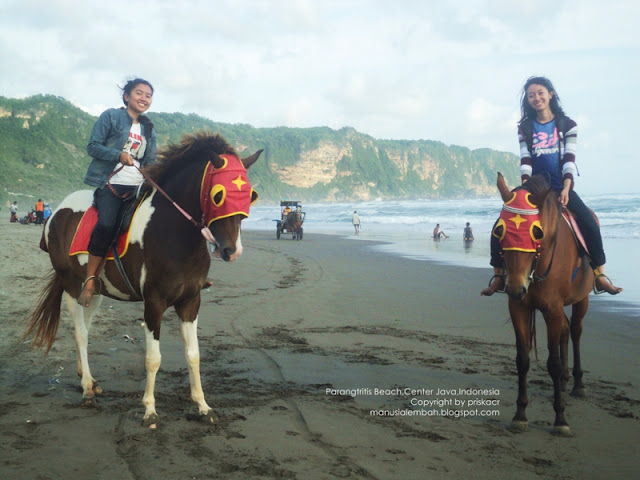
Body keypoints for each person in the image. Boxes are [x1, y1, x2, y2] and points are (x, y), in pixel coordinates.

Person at [481, 76, 621, 296]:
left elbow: (569, 159)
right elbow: (526, 160)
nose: (536, 98)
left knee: (589, 223)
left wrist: (566, 188)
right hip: (534, 190)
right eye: (531, 95)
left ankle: (600, 275)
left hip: (560, 186)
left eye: (540, 93)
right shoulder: (525, 127)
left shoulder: (567, 125)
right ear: (527, 100)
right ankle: (499, 276)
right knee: (500, 226)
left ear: (550, 94)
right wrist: (525, 191)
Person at [78, 78, 157, 307]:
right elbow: (93, 146)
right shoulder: (111, 117)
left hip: (139, 186)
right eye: (139, 93)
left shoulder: (149, 127)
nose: (144, 98)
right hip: (111, 183)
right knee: (107, 225)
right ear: (127, 97)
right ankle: (91, 280)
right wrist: (118, 155)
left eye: (148, 95)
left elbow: (150, 160)